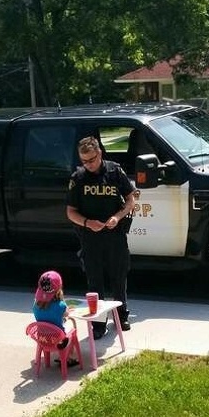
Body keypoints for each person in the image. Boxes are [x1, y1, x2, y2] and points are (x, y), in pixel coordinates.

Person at [66, 136, 137, 339]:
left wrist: (117, 217)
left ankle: (121, 316)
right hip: (90, 236)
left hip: (115, 234)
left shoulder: (114, 171)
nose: (88, 164)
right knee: (94, 280)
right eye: (84, 161)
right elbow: (70, 212)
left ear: (100, 153)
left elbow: (131, 199)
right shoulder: (78, 178)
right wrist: (87, 222)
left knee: (119, 276)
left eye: (92, 159)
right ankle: (98, 323)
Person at [32, 270, 79, 367]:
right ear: (58, 290)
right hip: (58, 340)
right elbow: (66, 314)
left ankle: (55, 357)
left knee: (60, 324)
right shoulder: (61, 306)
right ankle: (67, 356)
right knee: (72, 326)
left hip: (42, 338)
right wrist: (63, 303)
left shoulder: (35, 306)